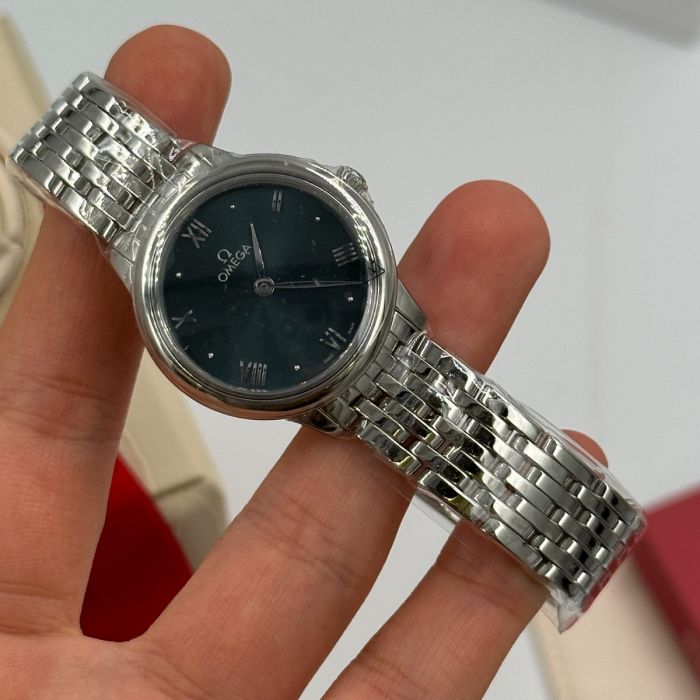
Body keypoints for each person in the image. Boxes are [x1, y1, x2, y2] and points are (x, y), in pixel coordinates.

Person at [0, 24, 605, 699]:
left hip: (369, 341)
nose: (261, 284)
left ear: (342, 192)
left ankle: (581, 526)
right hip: (326, 376)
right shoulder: (167, 295)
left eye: (266, 273)